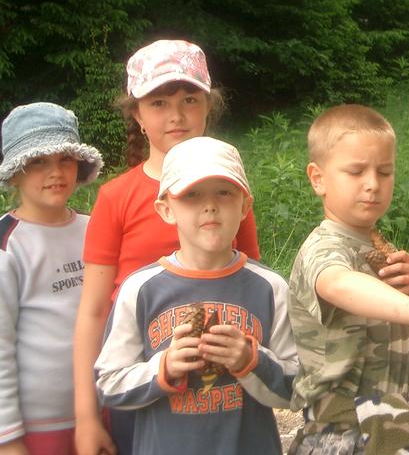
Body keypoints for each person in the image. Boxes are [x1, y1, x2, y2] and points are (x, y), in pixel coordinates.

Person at [73, 40, 261, 455]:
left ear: (208, 106)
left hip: (223, 393)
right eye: (158, 103)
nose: (176, 115)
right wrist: (86, 416)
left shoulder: (229, 191)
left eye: (189, 99)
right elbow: (92, 311)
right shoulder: (116, 198)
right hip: (139, 389)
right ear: (138, 116)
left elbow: (253, 288)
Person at [287, 104, 409, 455]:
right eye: (356, 171)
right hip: (351, 428)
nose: (372, 184)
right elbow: (337, 283)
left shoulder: (384, 251)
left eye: (385, 172)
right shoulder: (323, 247)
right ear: (318, 179)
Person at [95, 137, 297, 454]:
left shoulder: (270, 288)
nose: (210, 205)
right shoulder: (140, 289)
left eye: (224, 192)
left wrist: (250, 360)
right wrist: (164, 367)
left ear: (245, 206)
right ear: (166, 209)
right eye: (191, 195)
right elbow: (108, 385)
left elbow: (297, 390)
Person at [0, 103, 103, 455]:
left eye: (65, 159)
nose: (55, 172)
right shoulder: (8, 244)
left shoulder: (95, 229)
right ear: (15, 173)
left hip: (101, 412)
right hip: (35, 429)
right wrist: (8, 439)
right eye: (38, 162)